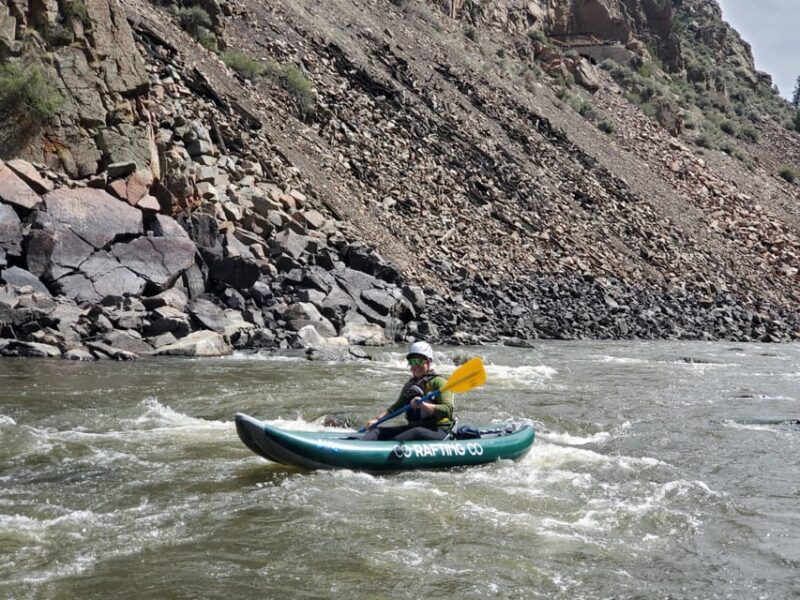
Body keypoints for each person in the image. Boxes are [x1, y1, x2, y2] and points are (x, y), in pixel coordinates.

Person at [362, 341, 454, 441]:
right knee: (376, 432)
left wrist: (424, 405)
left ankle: (388, 449)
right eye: (412, 362)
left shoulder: (440, 382)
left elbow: (447, 410)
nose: (416, 366)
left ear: (429, 362)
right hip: (414, 428)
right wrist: (377, 420)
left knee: (416, 432)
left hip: (439, 430)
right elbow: (395, 408)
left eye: (419, 361)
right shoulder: (410, 385)